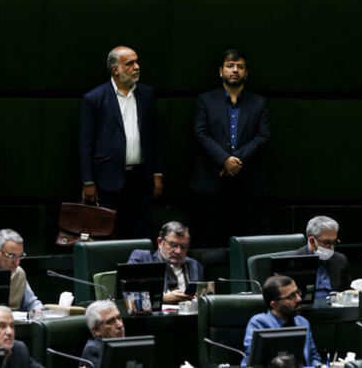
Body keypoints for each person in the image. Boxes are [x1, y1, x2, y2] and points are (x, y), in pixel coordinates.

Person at [79, 46, 163, 239]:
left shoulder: (146, 94)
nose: (137, 67)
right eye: (130, 63)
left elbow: (155, 136)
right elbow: (86, 144)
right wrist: (88, 181)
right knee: (108, 235)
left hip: (140, 178)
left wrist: (157, 173)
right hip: (108, 179)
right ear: (115, 69)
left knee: (139, 233)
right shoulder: (94, 98)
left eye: (136, 62)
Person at [190, 49, 270, 246]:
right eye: (230, 66)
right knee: (211, 239)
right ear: (221, 71)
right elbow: (201, 134)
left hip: (248, 182)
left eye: (240, 67)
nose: (235, 70)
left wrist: (235, 161)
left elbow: (263, 136)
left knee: (248, 240)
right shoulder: (205, 100)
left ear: (246, 73)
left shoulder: (259, 103)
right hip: (211, 180)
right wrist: (224, 160)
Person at [243, 275, 322, 366]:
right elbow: (255, 361)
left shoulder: (303, 322)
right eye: (291, 296)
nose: (299, 299)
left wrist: (320, 366)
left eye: (298, 292)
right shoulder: (259, 323)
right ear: (275, 305)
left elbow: (313, 357)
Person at [127, 221, 204, 304]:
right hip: (157, 312)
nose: (178, 251)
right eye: (173, 245)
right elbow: (128, 298)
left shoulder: (195, 266)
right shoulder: (142, 259)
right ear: (160, 242)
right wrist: (163, 298)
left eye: (183, 246)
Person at [290, 216, 349, 299]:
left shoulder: (340, 260)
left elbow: (347, 291)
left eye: (334, 241)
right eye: (326, 242)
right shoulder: (293, 261)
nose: (332, 247)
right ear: (312, 241)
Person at [81, 300, 126, 368]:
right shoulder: (93, 350)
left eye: (119, 318)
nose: (120, 325)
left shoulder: (125, 343)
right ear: (97, 330)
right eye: (110, 321)